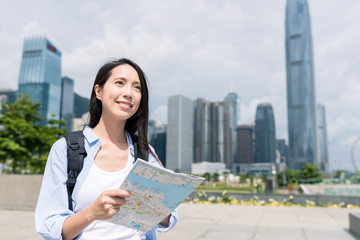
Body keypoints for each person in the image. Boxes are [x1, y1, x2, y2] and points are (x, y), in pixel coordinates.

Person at [35, 58, 177, 240]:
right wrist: (92, 212)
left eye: (137, 87)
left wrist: (159, 204)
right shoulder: (66, 149)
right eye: (120, 83)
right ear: (98, 91)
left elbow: (165, 220)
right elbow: (51, 228)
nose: (129, 93)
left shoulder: (144, 150)